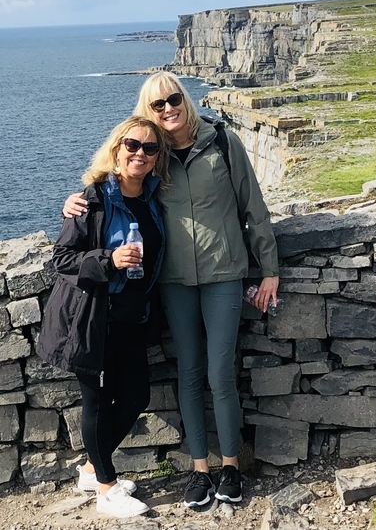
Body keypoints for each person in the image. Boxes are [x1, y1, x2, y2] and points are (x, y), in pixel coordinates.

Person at [63, 71, 280, 509]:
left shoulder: (222, 142)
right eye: (157, 105)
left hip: (224, 274)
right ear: (149, 113)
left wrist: (269, 269)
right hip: (174, 281)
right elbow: (117, 182)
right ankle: (200, 470)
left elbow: (252, 206)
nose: (167, 108)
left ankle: (231, 467)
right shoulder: (153, 155)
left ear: (186, 98)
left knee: (221, 374)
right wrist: (76, 201)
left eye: (173, 98)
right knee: (189, 373)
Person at [38, 116, 168, 519]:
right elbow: (62, 260)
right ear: (117, 148)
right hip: (92, 317)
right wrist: (107, 259)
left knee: (135, 396)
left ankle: (93, 469)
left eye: (149, 149)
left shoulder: (152, 196)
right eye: (132, 145)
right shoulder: (91, 200)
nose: (140, 154)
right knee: (96, 400)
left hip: (131, 315)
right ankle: (107, 489)